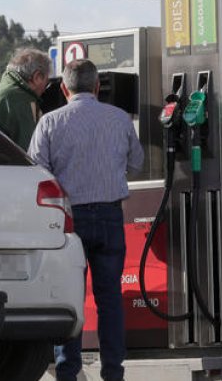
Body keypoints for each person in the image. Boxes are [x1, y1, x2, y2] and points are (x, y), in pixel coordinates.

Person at [29, 59, 144, 381]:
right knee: (110, 299)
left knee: (71, 298)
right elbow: (137, 162)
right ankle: (113, 372)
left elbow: (37, 171)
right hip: (110, 216)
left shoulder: (50, 122)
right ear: (97, 87)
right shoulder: (120, 118)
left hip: (69, 220)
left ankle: (68, 371)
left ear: (64, 88)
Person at [0, 47, 51, 150]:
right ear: (37, 77)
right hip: (1, 164)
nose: (45, 88)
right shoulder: (23, 102)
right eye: (46, 81)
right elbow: (29, 151)